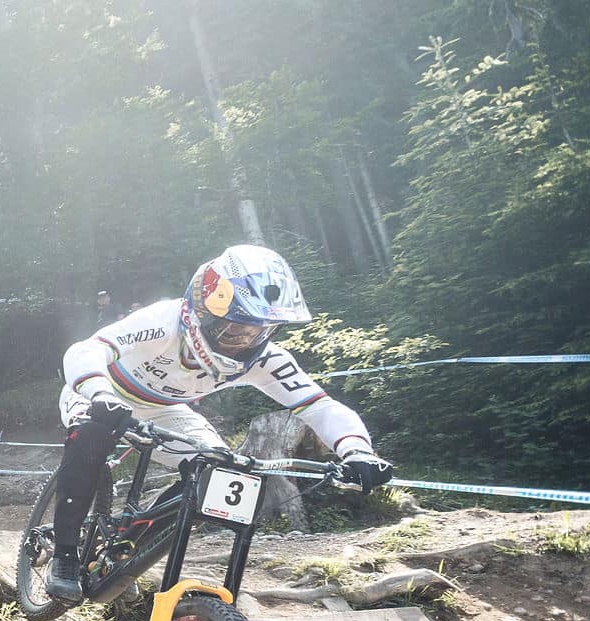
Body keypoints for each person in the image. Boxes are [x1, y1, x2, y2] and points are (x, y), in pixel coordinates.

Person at [44, 244, 393, 600]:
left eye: (258, 332)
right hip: (100, 391)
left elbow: (320, 406)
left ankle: (125, 549)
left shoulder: (266, 360)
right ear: (203, 312)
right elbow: (85, 350)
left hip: (166, 409)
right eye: (235, 329)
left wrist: (357, 451)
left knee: (221, 472)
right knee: (91, 433)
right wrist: (99, 391)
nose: (244, 342)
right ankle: (65, 556)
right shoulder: (163, 321)